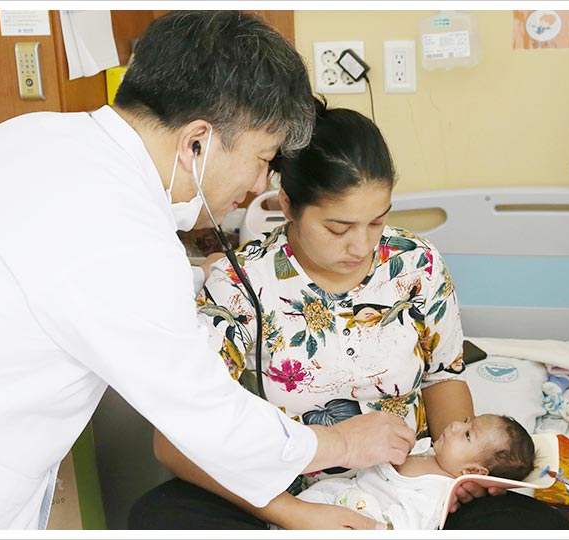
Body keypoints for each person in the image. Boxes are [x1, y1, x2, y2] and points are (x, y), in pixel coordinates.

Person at [0, 12, 418, 529]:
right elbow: (206, 416)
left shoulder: (35, 137)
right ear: (197, 141)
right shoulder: (119, 231)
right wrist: (341, 444)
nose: (259, 186)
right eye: (263, 158)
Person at [130, 97, 476, 530]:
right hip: (289, 496)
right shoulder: (241, 283)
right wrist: (296, 515)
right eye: (338, 228)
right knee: (159, 516)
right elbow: (175, 441)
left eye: (377, 222)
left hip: (410, 487)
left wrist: (455, 476)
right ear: (289, 204)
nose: (363, 246)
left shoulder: (415, 265)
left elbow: (443, 375)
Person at [295, 414, 535, 530]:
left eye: (467, 434)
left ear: (472, 470)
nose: (454, 425)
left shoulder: (435, 493)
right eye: (465, 421)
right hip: (344, 490)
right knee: (310, 500)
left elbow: (405, 528)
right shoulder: (426, 449)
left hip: (364, 516)